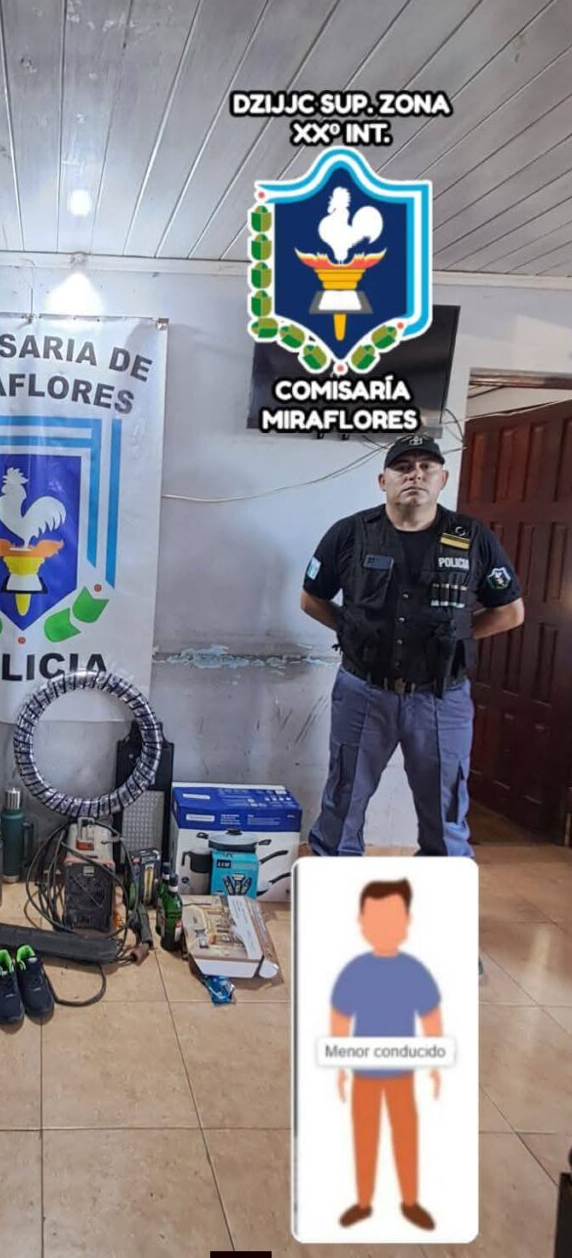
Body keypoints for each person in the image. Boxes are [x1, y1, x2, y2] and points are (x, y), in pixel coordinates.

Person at [302, 434, 523, 857]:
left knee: (445, 814)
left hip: (441, 698)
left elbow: (510, 611)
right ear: (382, 480)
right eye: (404, 467)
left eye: (426, 467)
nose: (415, 475)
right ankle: (334, 890)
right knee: (343, 804)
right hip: (364, 692)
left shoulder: (473, 538)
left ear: (442, 479)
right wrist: (352, 630)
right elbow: (311, 599)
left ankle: (439, 896)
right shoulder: (350, 534)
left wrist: (456, 638)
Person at [331, 879, 441, 1232]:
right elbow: (340, 1016)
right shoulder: (355, 969)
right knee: (365, 1135)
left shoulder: (413, 969)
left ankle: (410, 1200)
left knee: (405, 1134)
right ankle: (363, 1201)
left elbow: (431, 1015)